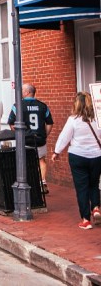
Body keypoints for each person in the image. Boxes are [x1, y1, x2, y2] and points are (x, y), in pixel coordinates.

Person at [52, 92, 101, 229]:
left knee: (82, 188)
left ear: (76, 104)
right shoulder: (98, 119)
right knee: (94, 183)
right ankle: (96, 207)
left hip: (78, 156)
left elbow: (64, 137)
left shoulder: (73, 120)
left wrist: (57, 151)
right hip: (97, 156)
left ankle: (86, 220)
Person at [8, 83, 54, 194]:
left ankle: (28, 183)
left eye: (22, 90)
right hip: (39, 138)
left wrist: (18, 134)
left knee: (25, 161)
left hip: (25, 139)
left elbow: (11, 123)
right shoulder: (43, 106)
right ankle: (42, 182)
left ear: (28, 92)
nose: (21, 92)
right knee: (41, 160)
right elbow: (49, 123)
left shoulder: (17, 106)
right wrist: (45, 134)